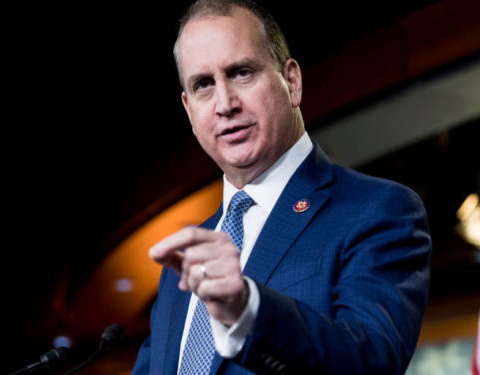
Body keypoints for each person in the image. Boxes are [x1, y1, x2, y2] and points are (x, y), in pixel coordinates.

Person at [132, 0, 431, 374]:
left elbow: (371, 361)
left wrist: (247, 309)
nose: (225, 103)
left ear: (291, 81)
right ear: (189, 110)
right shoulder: (187, 261)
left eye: (241, 73)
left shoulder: (378, 210)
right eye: (203, 85)